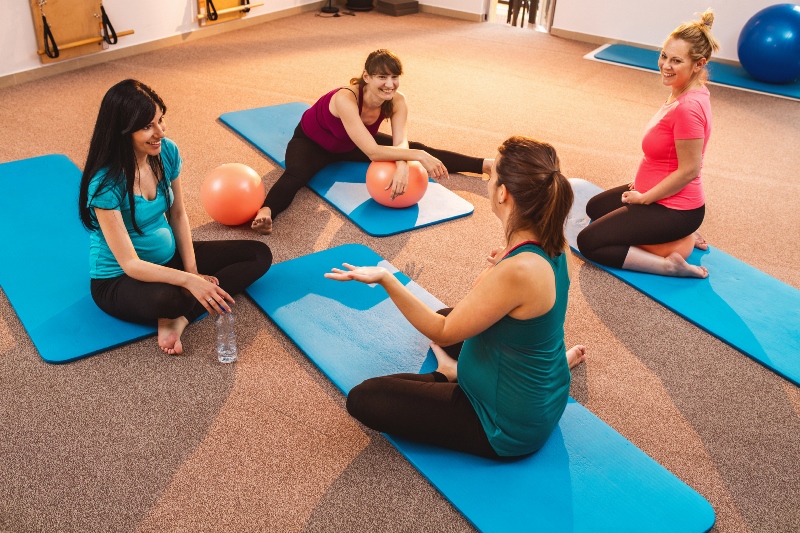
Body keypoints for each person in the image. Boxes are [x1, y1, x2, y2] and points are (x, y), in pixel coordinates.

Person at [325, 136, 586, 458]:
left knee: (365, 398)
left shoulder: (520, 269)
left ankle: (449, 374)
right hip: (542, 388)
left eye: (491, 176)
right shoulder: (553, 240)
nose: (489, 181)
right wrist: (500, 266)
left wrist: (387, 279)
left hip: (507, 424)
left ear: (503, 193)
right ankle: (475, 371)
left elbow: (441, 331)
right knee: (452, 313)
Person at [78, 79, 272, 355]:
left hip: (169, 259)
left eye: (160, 120)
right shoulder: (106, 183)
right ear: (122, 131)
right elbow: (131, 264)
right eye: (147, 126)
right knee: (173, 299)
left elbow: (178, 213)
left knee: (258, 254)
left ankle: (180, 320)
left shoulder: (166, 151)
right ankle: (178, 310)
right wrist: (190, 282)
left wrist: (191, 271)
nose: (159, 132)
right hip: (120, 279)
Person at [251, 49, 494, 235]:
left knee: (419, 147)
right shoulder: (346, 98)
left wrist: (401, 165)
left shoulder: (398, 101)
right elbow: (372, 151)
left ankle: (484, 165)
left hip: (350, 142)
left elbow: (401, 142)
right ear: (366, 76)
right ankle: (267, 211)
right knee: (297, 174)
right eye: (382, 77)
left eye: (394, 77)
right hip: (312, 143)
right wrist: (416, 158)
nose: (390, 84)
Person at [576, 10, 721, 278]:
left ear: (699, 64)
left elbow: (690, 169)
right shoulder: (685, 90)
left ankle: (669, 265)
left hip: (676, 209)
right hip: (659, 194)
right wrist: (643, 185)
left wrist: (645, 197)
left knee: (589, 242)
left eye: (676, 60)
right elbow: (666, 156)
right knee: (594, 208)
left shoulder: (688, 107)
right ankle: (685, 233)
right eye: (664, 55)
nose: (665, 64)